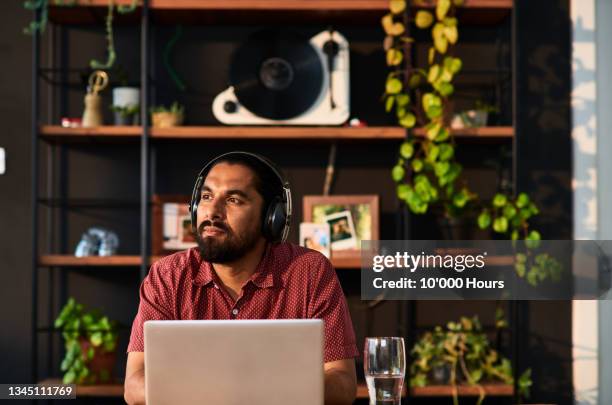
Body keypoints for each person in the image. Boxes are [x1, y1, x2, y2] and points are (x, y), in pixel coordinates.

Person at [124, 152, 358, 405]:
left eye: (233, 199)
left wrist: (234, 387)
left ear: (272, 217)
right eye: (206, 196)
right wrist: (247, 387)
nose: (212, 211)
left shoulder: (309, 271)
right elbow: (134, 386)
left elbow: (343, 385)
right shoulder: (168, 275)